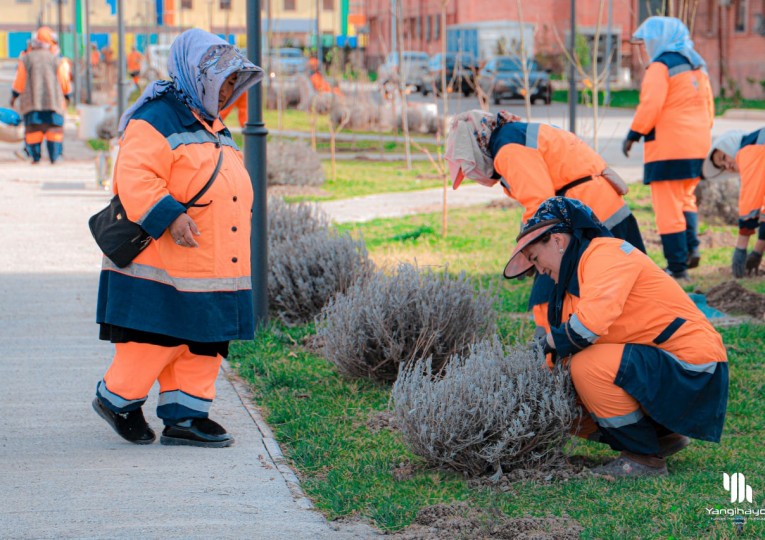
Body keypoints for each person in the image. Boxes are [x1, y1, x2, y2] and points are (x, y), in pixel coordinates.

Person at [92, 29, 264, 447]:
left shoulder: (212, 120)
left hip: (213, 263)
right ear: (197, 74)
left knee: (203, 342)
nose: (228, 92)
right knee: (156, 339)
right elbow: (134, 176)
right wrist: (170, 217)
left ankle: (186, 416)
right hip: (164, 264)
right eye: (223, 82)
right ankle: (118, 399)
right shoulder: (157, 117)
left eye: (232, 84)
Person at [504, 197, 728, 477]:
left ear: (559, 241)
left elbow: (588, 326)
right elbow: (561, 354)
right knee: (561, 383)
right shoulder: (574, 279)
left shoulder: (605, 254)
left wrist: (548, 342)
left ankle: (644, 458)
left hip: (694, 368)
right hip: (665, 365)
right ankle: (660, 438)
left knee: (585, 367)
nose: (538, 271)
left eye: (535, 258)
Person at [445, 110, 646, 333]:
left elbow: (540, 205)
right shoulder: (513, 137)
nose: (473, 173)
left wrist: (526, 252)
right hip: (600, 209)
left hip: (588, 215)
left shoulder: (508, 150)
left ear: (475, 146)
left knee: (549, 293)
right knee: (627, 292)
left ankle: (548, 356)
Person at [622, 16, 715, 280]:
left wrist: (633, 133)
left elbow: (651, 105)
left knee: (668, 206)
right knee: (686, 198)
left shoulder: (660, 67)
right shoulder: (697, 65)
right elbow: (709, 108)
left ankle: (677, 266)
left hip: (670, 147)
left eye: (647, 41)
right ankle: (691, 249)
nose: (646, 47)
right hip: (697, 145)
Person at [701, 127, 765, 277]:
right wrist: (757, 251)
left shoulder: (747, 150)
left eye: (723, 158)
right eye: (723, 167)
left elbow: (750, 201)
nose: (727, 166)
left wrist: (741, 248)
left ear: (729, 145)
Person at [10, 26, 71, 164]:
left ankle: (35, 156)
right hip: (53, 104)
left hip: (32, 104)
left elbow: (20, 80)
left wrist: (14, 96)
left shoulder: (26, 58)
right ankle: (55, 157)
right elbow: (64, 79)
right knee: (54, 131)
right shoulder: (57, 59)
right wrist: (67, 95)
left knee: (33, 131)